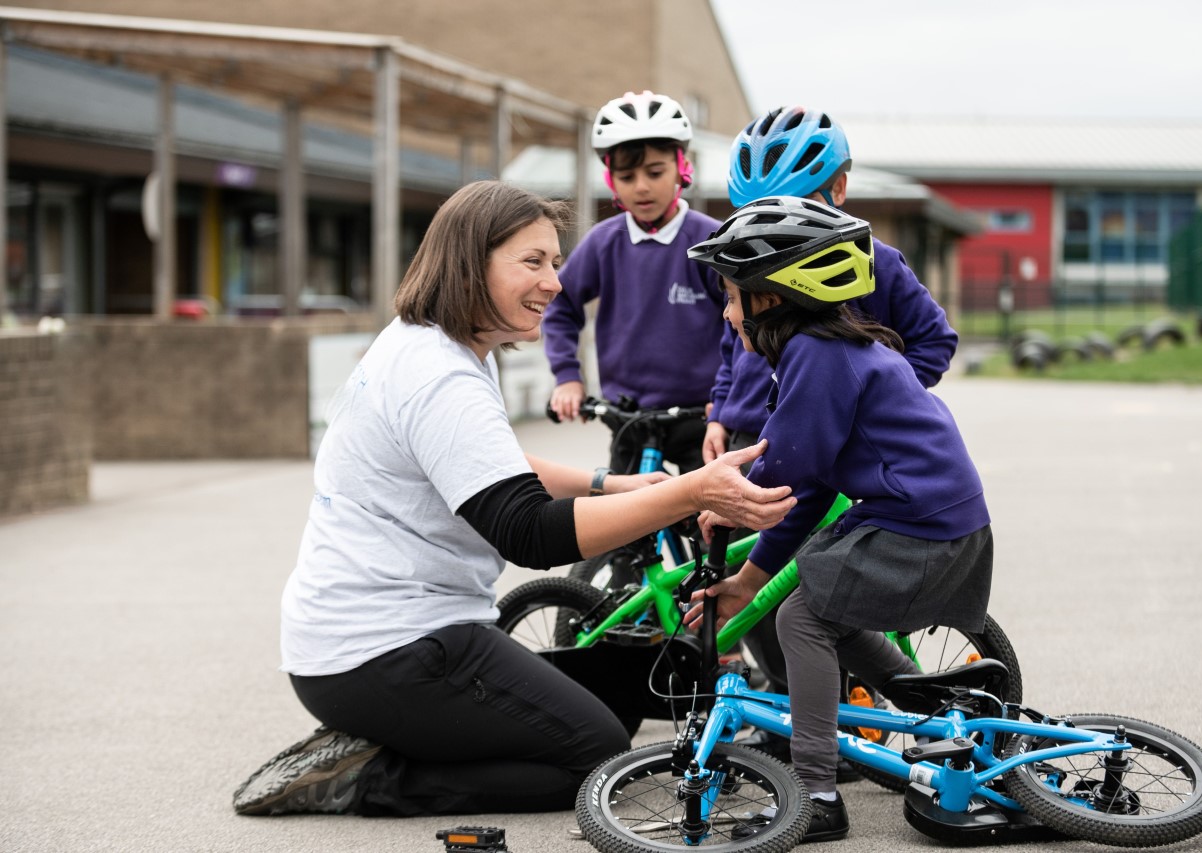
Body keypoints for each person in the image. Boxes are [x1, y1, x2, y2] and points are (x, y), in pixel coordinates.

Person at [231, 180, 796, 819]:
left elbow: (484, 464)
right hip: (387, 651)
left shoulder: (440, 343)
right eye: (533, 263)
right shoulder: (440, 376)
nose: (554, 284)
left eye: (554, 263)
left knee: (613, 696)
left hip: (372, 642)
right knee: (595, 753)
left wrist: (607, 484)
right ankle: (368, 777)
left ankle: (388, 741)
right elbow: (528, 533)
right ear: (470, 264)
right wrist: (690, 492)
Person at [684, 196, 993, 843]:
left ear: (772, 297)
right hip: (921, 516)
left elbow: (790, 473)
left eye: (734, 296)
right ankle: (931, 706)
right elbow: (814, 490)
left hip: (922, 526)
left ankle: (818, 793)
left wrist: (726, 500)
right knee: (820, 601)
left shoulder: (817, 357)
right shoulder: (821, 349)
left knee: (802, 615)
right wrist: (750, 574)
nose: (727, 311)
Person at [702, 106, 960, 766]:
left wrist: (874, 406)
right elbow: (735, 352)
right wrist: (721, 417)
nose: (767, 234)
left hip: (833, 462)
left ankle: (826, 743)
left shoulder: (876, 267)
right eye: (753, 214)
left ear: (836, 191)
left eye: (787, 207)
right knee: (764, 590)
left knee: (796, 595)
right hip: (775, 447)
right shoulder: (755, 299)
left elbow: (934, 338)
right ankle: (798, 712)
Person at [543, 90, 724, 475]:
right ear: (611, 180)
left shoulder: (711, 242)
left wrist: (729, 400)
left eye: (655, 172)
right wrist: (568, 378)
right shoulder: (603, 242)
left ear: (681, 167)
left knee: (718, 526)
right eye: (627, 176)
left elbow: (743, 330)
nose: (641, 186)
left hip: (705, 420)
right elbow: (560, 304)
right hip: (629, 419)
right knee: (624, 528)